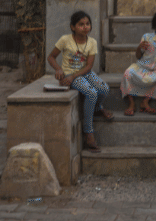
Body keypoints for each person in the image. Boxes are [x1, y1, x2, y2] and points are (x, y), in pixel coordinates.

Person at [48, 10, 112, 152]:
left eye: (87, 24)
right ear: (73, 27)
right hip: (69, 74)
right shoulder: (65, 40)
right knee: (91, 93)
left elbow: (89, 66)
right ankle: (88, 132)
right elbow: (51, 57)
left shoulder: (92, 42)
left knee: (104, 89)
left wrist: (74, 77)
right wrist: (59, 70)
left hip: (84, 73)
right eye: (81, 24)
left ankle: (97, 108)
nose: (85, 27)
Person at [122, 11, 156, 116]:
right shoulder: (147, 37)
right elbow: (138, 56)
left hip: (154, 71)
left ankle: (145, 102)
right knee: (127, 73)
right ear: (155, 26)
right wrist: (139, 47)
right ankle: (131, 104)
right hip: (140, 67)